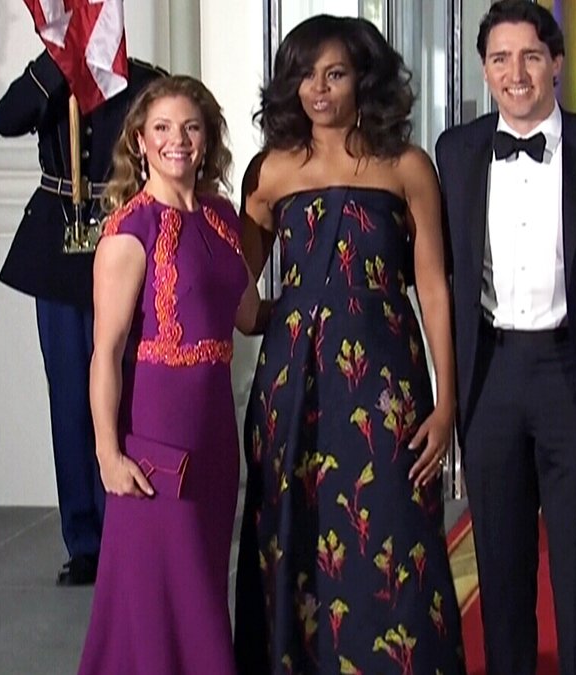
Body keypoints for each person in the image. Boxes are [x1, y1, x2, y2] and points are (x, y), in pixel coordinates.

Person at [233, 14, 465, 674]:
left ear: (364, 77)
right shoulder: (270, 171)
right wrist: (276, 316)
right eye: (305, 75)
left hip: (384, 382)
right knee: (294, 534)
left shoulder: (408, 166)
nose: (319, 89)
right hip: (293, 387)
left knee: (394, 527)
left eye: (334, 73)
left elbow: (435, 292)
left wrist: (446, 405)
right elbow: (232, 285)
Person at [434, 1, 576, 673]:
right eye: (500, 58)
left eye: (530, 55)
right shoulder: (457, 149)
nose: (516, 72)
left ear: (556, 63)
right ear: (484, 69)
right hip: (492, 374)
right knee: (499, 567)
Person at [77, 75, 260, 674]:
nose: (176, 140)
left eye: (190, 127)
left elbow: (248, 315)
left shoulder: (222, 216)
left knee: (203, 578)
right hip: (158, 432)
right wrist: (107, 453)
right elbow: (106, 352)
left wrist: (326, 300)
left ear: (206, 139)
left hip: (213, 432)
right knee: (169, 590)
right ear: (140, 142)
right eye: (162, 128)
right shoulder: (130, 231)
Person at [0, 51, 165, 585]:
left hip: (126, 237)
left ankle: (126, 528)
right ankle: (85, 540)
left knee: (127, 391)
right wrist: (52, 70)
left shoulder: (143, 80)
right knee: (70, 395)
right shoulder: (48, 74)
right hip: (59, 245)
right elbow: (6, 120)